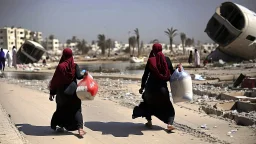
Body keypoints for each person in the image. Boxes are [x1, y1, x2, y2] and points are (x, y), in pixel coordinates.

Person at [132, 43, 178, 131]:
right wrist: (179, 69)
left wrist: (142, 87)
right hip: (162, 90)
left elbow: (145, 75)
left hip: (150, 90)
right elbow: (173, 73)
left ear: (153, 50)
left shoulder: (151, 61)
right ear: (161, 50)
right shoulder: (167, 60)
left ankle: (149, 122)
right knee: (168, 107)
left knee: (147, 104)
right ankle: (169, 124)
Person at [49, 48, 87, 137]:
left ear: (64, 55)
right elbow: (79, 76)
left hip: (62, 93)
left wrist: (52, 93)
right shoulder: (75, 66)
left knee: (61, 110)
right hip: (73, 92)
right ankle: (80, 129)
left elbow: (55, 81)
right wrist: (84, 75)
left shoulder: (60, 67)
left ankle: (61, 127)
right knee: (76, 110)